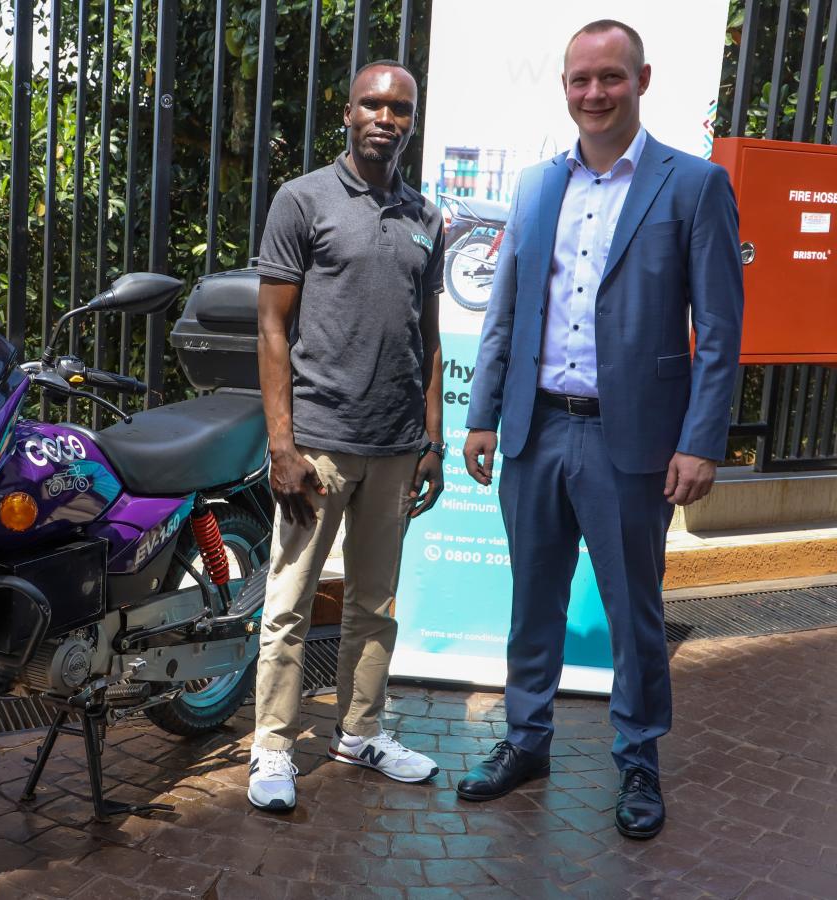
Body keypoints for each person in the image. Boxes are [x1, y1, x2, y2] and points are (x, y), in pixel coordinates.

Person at [459, 20, 743, 839]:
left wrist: (700, 440)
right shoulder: (538, 187)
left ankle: (639, 760)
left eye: (609, 78)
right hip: (536, 432)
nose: (593, 93)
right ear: (566, 86)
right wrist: (482, 415)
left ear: (642, 80)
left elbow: (721, 330)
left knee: (634, 611)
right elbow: (506, 310)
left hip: (635, 442)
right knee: (532, 603)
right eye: (580, 80)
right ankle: (526, 742)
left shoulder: (692, 185)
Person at [247, 60, 446, 812]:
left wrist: (432, 437)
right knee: (290, 602)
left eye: (399, 108)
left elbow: (427, 336)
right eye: (372, 104)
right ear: (348, 112)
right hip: (320, 444)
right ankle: (271, 747)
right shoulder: (303, 200)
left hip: (395, 446)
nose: (384, 118)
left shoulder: (426, 217)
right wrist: (281, 444)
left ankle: (360, 734)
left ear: (411, 121)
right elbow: (272, 328)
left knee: (375, 602)